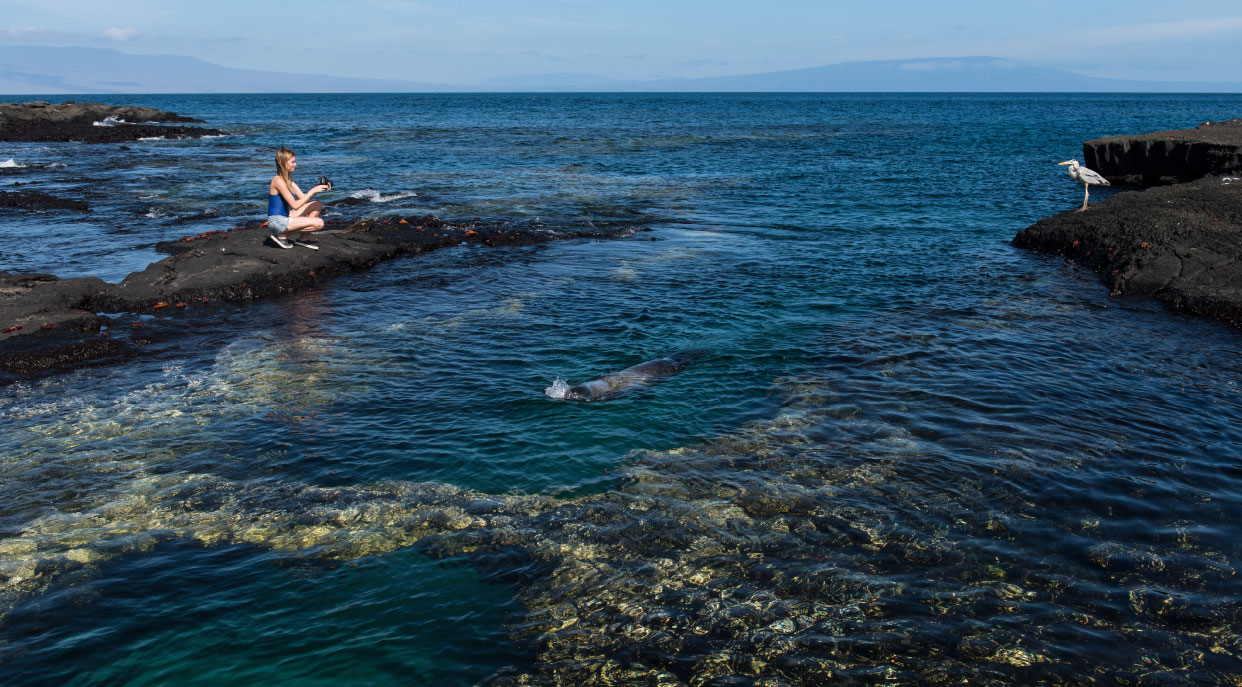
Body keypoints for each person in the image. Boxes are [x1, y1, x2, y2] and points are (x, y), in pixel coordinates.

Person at [267, 146, 330, 249]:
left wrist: (319, 188)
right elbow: (295, 205)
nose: (295, 165)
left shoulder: (287, 179)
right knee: (319, 223)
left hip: (286, 217)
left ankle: (303, 239)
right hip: (277, 221)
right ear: (283, 163)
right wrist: (312, 191)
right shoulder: (278, 180)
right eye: (292, 162)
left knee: (316, 204)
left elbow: (303, 197)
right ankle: (282, 236)